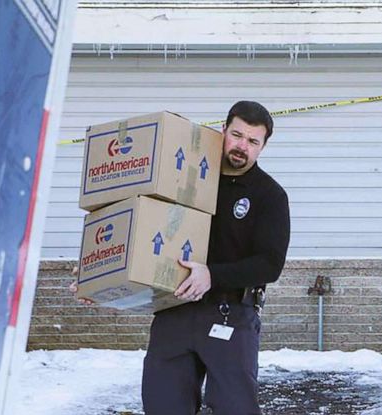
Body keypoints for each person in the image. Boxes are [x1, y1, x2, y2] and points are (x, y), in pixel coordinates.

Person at [71, 101, 290, 414]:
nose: (242, 146)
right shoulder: (183, 176)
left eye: (253, 141)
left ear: (263, 146)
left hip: (230, 314)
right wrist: (97, 277)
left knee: (235, 408)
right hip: (174, 310)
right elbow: (135, 227)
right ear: (223, 130)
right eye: (237, 135)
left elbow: (270, 264)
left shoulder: (269, 195)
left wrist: (211, 275)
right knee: (163, 404)